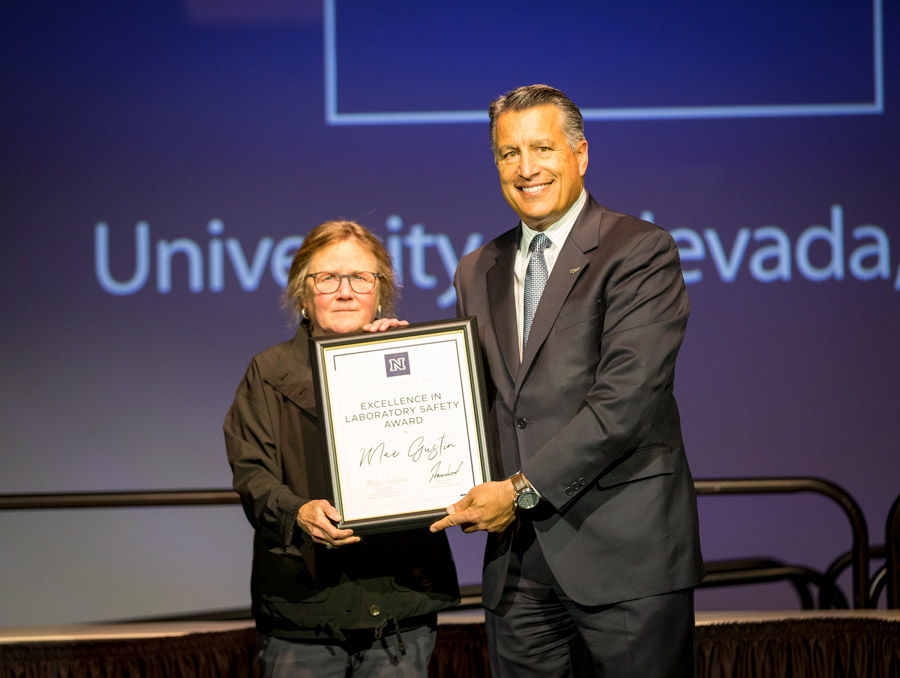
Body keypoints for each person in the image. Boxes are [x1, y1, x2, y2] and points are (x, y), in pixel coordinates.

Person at [429, 84, 704, 676]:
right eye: (508, 153)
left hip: (623, 555)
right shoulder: (477, 268)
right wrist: (391, 364)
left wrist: (522, 489)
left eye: (542, 148)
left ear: (580, 155)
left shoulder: (638, 251)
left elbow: (625, 402)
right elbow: (470, 402)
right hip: (518, 567)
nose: (526, 169)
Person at [225, 220, 460, 678]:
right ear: (303, 294)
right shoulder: (268, 372)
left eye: (360, 278)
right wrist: (297, 513)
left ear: (380, 292)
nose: (345, 291)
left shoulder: (415, 360)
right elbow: (252, 475)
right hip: (304, 610)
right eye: (328, 278)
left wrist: (401, 363)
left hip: (398, 605)